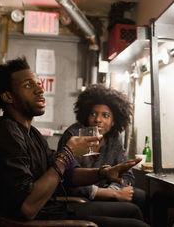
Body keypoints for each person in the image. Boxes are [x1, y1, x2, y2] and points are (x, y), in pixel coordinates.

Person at [0, 57, 149, 227]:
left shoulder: (33, 134)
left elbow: (68, 174)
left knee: (133, 210)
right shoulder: (4, 132)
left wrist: (103, 173)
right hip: (40, 220)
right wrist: (68, 153)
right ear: (9, 96)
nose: (40, 89)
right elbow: (27, 208)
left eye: (39, 83)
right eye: (29, 85)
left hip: (54, 210)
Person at [57, 84, 148, 220]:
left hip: (105, 190)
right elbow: (68, 180)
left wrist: (114, 190)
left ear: (113, 121)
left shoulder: (114, 137)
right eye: (93, 114)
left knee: (141, 196)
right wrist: (112, 194)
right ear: (86, 115)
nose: (98, 119)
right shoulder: (74, 135)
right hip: (77, 198)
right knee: (133, 211)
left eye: (105, 115)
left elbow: (127, 174)